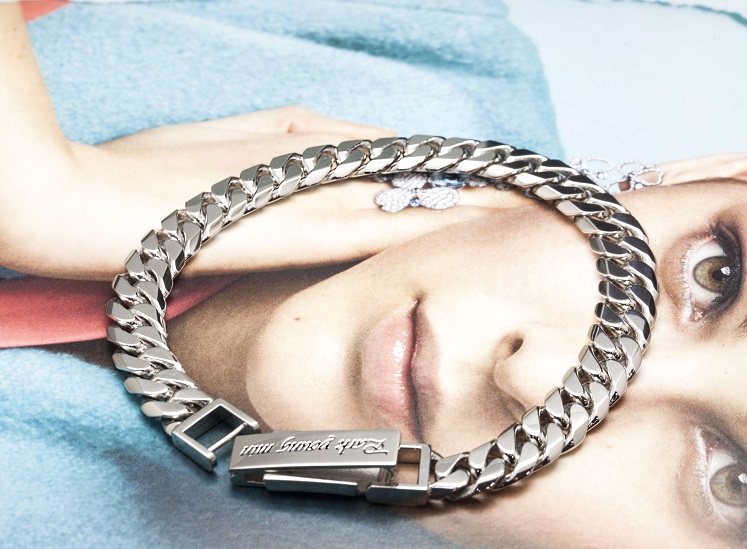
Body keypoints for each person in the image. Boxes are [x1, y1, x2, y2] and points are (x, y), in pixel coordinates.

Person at [2, 2, 747, 548]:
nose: (537, 376)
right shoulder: (412, 32)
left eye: (733, 483)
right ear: (698, 177)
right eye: (716, 274)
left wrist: (59, 200)